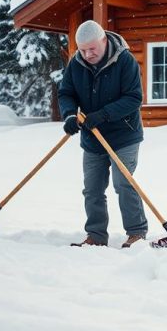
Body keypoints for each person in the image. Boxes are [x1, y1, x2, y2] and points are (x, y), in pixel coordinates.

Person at [59, 20, 148, 248]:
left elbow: (133, 98)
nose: (88, 54)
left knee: (123, 183)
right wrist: (70, 114)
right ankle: (96, 236)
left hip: (123, 136)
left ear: (104, 41)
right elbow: (66, 92)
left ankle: (136, 233)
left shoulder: (124, 61)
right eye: (82, 49)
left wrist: (104, 114)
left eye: (92, 49)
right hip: (92, 137)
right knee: (92, 189)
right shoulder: (76, 64)